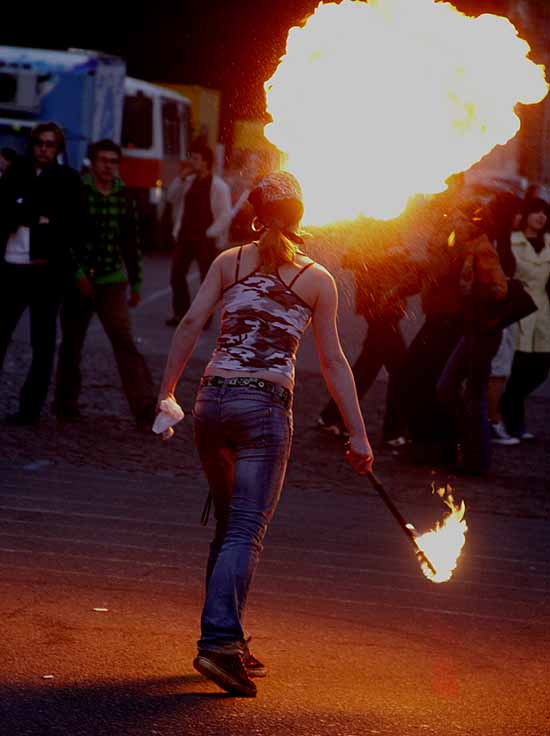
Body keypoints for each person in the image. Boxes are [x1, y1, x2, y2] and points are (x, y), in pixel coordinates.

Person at [156, 171, 374, 697]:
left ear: (254, 213)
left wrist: (166, 393)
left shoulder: (229, 261)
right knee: (244, 530)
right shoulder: (316, 278)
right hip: (264, 406)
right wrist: (359, 437)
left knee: (229, 526)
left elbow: (190, 324)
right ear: (301, 216)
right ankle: (219, 644)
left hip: (212, 400)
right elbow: (335, 363)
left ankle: (227, 635)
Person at [54, 139, 156, 429]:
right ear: (92, 163)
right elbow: (65, 236)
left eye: (113, 161)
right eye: (103, 160)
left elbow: (131, 241)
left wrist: (135, 283)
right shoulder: (79, 191)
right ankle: (65, 403)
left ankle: (145, 408)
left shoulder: (123, 194)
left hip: (112, 280)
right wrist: (78, 274)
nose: (108, 166)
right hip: (81, 279)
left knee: (125, 343)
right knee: (72, 344)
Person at [0, 122, 81, 425]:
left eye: (50, 144)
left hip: (47, 272)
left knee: (43, 343)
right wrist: (38, 216)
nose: (44, 149)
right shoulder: (15, 174)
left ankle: (30, 408)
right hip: (11, 267)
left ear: (58, 149)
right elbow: (6, 210)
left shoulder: (66, 180)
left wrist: (34, 215)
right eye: (39, 143)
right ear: (32, 144)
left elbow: (69, 223)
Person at [318, 222, 408, 448]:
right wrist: (388, 255)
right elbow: (351, 259)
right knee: (401, 369)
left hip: (388, 306)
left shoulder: (390, 219)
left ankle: (332, 417)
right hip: (379, 307)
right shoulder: (370, 223)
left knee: (367, 367)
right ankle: (392, 432)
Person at [165, 141, 232, 326]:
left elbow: (225, 215)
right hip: (185, 236)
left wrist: (211, 233)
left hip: (205, 240)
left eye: (195, 158)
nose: (191, 162)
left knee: (206, 281)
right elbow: (170, 197)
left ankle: (204, 317)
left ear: (205, 162)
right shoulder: (187, 181)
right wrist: (180, 178)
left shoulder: (218, 186)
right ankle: (180, 313)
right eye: (191, 157)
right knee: (176, 275)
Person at [500, 197, 550, 439]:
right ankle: (513, 422)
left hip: (543, 313)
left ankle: (509, 413)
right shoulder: (512, 242)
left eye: (544, 213)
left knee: (540, 369)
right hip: (519, 313)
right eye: (536, 212)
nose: (541, 217)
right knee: (517, 369)